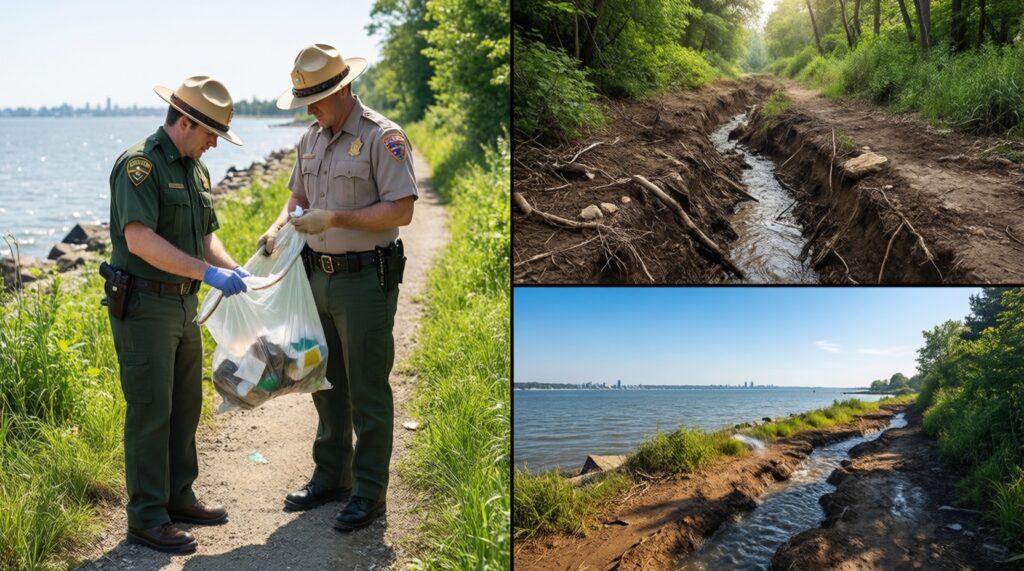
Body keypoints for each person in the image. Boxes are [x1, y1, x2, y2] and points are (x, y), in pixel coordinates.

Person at [259, 43, 417, 531]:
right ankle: (333, 476)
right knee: (323, 383)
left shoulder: (382, 137)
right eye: (305, 99)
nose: (310, 108)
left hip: (365, 280)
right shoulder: (310, 138)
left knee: (367, 389)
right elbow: (298, 196)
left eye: (318, 97)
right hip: (315, 277)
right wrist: (277, 225)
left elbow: (401, 210)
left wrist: (337, 218)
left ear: (344, 88)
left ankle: (369, 493)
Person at [104, 76, 250, 553]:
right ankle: (146, 517)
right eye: (210, 134)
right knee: (150, 411)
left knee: (186, 405)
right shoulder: (139, 166)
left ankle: (177, 497)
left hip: (185, 305)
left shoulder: (195, 169)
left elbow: (207, 237)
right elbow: (139, 240)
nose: (214, 144)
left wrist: (236, 271)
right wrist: (209, 274)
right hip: (145, 306)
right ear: (185, 122)